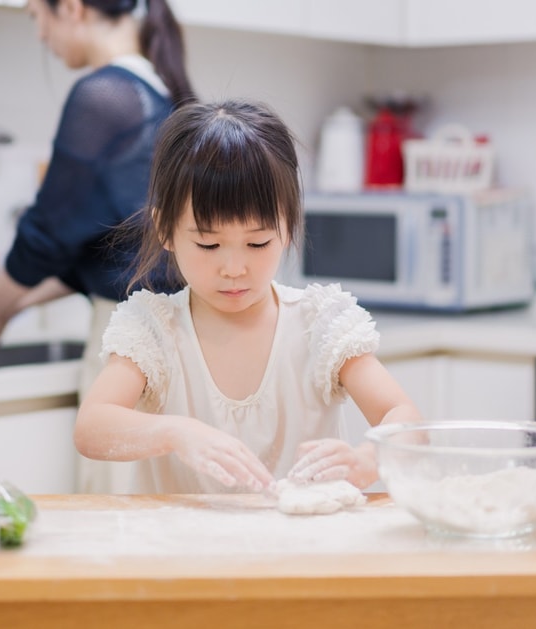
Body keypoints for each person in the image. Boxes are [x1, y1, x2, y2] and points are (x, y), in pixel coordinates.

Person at [74, 99, 422, 494]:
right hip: (187, 552)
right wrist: (174, 432)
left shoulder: (318, 324)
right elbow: (92, 428)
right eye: (209, 244)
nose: (234, 268)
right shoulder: (154, 329)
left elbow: (406, 418)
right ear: (166, 230)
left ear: (289, 227)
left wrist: (367, 461)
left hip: (301, 549)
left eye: (257, 243)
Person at [0, 0, 193, 490]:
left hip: (130, 342)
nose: (41, 34)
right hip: (176, 335)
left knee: (115, 525)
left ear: (70, 8)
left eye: (36, 16)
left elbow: (45, 234)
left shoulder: (105, 95)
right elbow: (105, 248)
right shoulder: (159, 90)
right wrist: (18, 304)